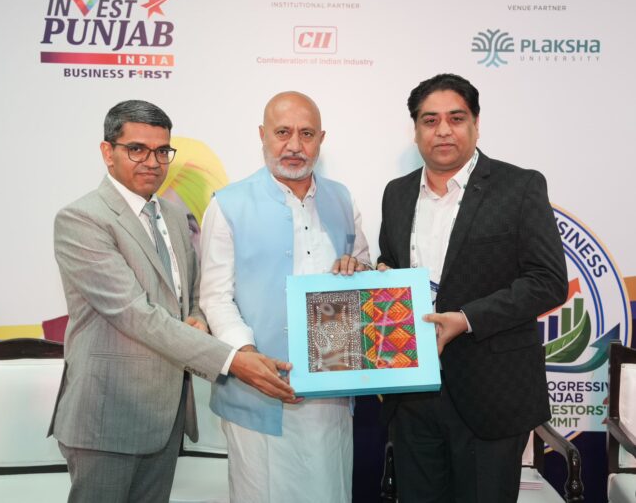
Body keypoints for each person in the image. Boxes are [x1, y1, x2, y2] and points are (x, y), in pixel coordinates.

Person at [49, 99, 296, 503]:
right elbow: (135, 315)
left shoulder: (175, 217)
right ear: (108, 152)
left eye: (162, 150)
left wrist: (198, 318)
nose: (152, 162)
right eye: (137, 149)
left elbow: (194, 296)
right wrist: (233, 361)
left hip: (165, 417)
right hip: (107, 418)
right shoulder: (83, 219)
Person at [377, 74, 567, 502]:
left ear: (476, 124)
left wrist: (466, 319)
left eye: (456, 118)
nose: (443, 130)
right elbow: (391, 265)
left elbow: (548, 281)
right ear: (415, 130)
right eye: (430, 120)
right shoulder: (397, 193)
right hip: (412, 394)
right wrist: (376, 275)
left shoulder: (519, 187)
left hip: (491, 394)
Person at [199, 91, 371, 503]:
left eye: (306, 134)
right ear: (262, 135)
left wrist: (358, 270)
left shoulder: (343, 199)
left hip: (331, 393)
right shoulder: (228, 204)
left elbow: (364, 273)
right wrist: (247, 356)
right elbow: (215, 297)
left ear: (321, 139)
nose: (294, 145)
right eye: (283, 133)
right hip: (256, 389)